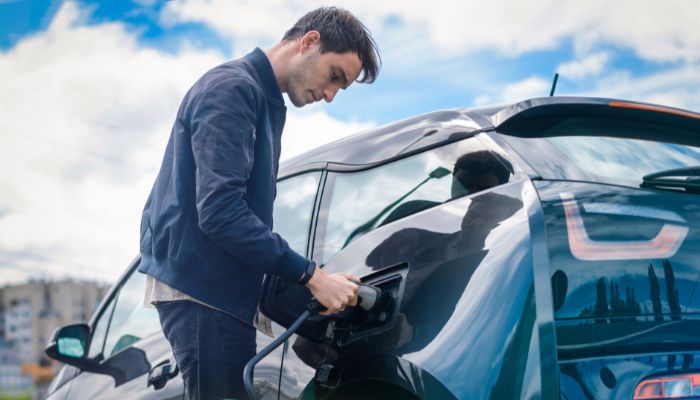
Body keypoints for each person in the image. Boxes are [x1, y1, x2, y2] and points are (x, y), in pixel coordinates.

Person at [137, 7, 381, 399]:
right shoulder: (232, 89)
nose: (332, 95)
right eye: (335, 76)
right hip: (204, 295)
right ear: (309, 42)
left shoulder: (261, 100)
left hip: (219, 293)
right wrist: (312, 276)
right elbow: (221, 213)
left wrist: (316, 285)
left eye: (343, 88)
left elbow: (237, 218)